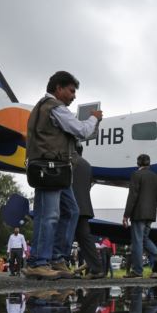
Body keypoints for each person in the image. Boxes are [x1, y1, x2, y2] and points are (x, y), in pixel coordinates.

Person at [24, 71, 102, 280]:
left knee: (71, 211)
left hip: (53, 170)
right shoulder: (56, 107)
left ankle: (57, 258)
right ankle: (39, 262)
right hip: (52, 169)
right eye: (71, 90)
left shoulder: (40, 107)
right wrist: (94, 119)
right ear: (59, 88)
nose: (74, 96)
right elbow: (82, 130)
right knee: (49, 216)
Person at [123, 153, 157, 278]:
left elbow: (132, 196)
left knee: (137, 242)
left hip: (138, 213)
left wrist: (126, 215)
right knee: (144, 239)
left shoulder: (136, 175)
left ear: (138, 163)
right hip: (151, 214)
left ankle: (137, 271)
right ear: (149, 163)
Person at [72, 148, 106, 279]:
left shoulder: (70, 162)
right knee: (85, 239)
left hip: (70, 205)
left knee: (64, 234)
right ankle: (97, 269)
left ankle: (59, 266)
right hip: (85, 206)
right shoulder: (87, 165)